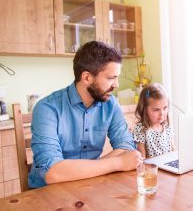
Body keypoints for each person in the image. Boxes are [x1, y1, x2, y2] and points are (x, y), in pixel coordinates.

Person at [29, 41, 143, 188]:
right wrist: (118, 162)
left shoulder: (111, 103)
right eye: (111, 78)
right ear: (87, 78)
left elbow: (126, 147)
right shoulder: (47, 108)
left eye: (117, 77)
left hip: (91, 186)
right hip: (46, 194)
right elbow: (53, 172)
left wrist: (85, 169)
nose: (116, 85)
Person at [132, 83, 176, 159]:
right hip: (152, 169)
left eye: (165, 108)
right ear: (144, 110)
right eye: (156, 110)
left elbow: (173, 150)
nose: (162, 113)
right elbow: (142, 159)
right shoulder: (141, 130)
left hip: (168, 167)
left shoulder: (167, 127)